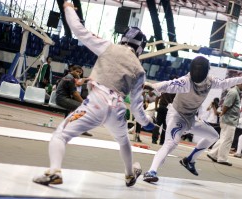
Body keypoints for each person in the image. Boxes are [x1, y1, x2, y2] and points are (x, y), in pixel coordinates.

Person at [33, 1, 154, 187]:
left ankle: (54, 171)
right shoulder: (140, 70)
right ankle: (130, 174)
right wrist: (147, 124)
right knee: (123, 141)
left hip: (96, 103)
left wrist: (68, 9)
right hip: (118, 109)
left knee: (60, 135)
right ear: (140, 47)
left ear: (123, 39)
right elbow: (137, 109)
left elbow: (79, 30)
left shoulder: (108, 46)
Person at [142, 56, 242, 182]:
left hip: (191, 118)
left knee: (213, 136)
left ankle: (189, 160)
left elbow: (224, 83)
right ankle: (151, 171)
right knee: (171, 144)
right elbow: (167, 85)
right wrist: (151, 86)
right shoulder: (185, 81)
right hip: (177, 116)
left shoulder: (210, 81)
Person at [207, 82, 242, 166]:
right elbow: (226, 105)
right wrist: (223, 113)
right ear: (239, 83)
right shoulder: (234, 92)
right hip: (229, 120)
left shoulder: (235, 92)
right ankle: (222, 158)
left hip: (228, 120)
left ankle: (213, 154)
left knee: (223, 138)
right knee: (227, 140)